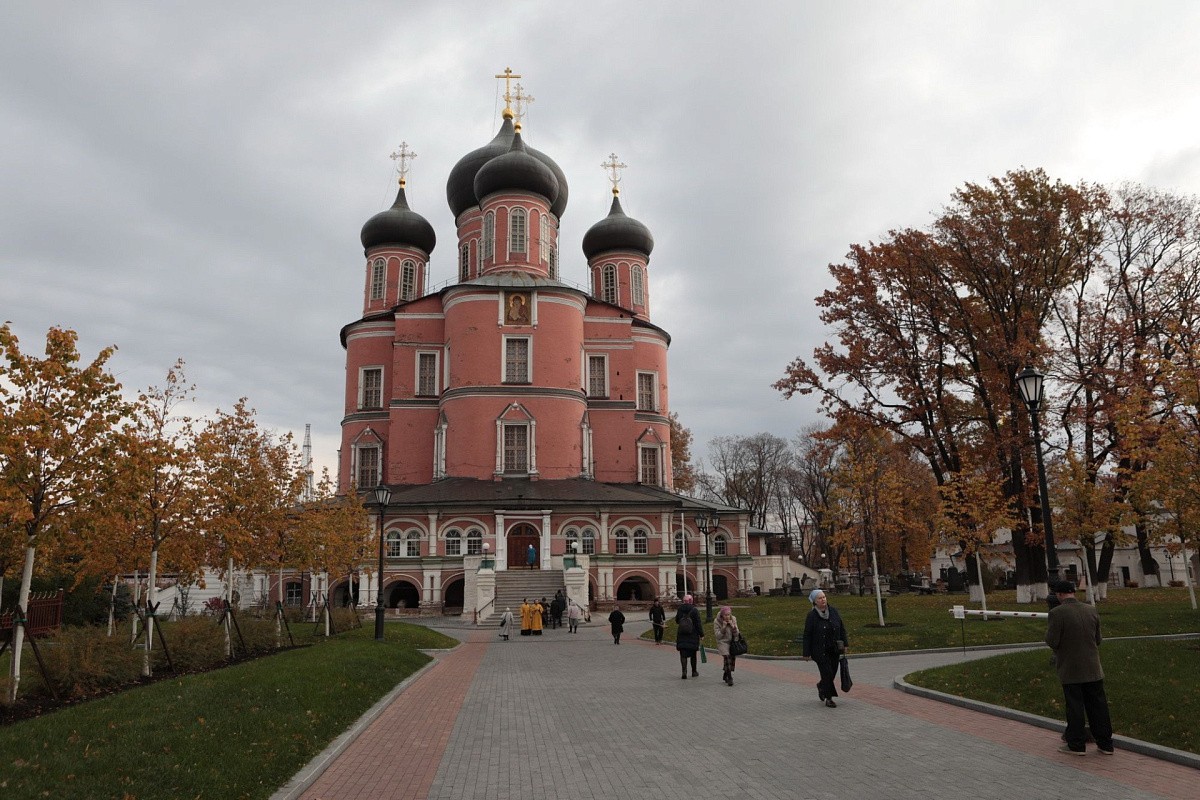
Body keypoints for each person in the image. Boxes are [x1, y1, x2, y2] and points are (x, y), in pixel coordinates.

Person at [1045, 579, 1114, 756]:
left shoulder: (1057, 613)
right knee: (1098, 706)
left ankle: (1076, 744)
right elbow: (1098, 639)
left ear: (1059, 594)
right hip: (1093, 667)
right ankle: (1105, 744)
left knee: (1075, 706)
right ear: (1073, 593)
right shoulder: (1091, 610)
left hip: (1071, 668)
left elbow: (1052, 641)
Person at [802, 589, 847, 707]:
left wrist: (845, 644)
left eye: (824, 597)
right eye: (820, 598)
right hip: (819, 650)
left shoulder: (833, 611)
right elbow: (807, 634)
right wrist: (806, 652)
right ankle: (829, 698)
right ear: (815, 602)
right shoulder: (812, 616)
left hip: (834, 648)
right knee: (826, 673)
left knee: (832, 672)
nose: (823, 600)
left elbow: (841, 628)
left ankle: (822, 686)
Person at [675, 594, 703, 679]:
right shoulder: (694, 610)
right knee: (693, 654)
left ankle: (684, 671)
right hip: (693, 634)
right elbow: (698, 623)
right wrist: (701, 634)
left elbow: (677, 621)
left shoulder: (680, 609)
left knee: (683, 654)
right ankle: (694, 671)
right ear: (691, 601)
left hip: (682, 634)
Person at [713, 605, 740, 686]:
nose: (727, 617)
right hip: (722, 642)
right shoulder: (717, 621)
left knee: (731, 659)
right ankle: (730, 678)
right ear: (722, 615)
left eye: (728, 614)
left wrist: (733, 627)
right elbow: (718, 636)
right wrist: (723, 628)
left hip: (732, 642)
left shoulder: (733, 619)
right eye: (725, 615)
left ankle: (725, 674)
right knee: (727, 657)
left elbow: (737, 634)